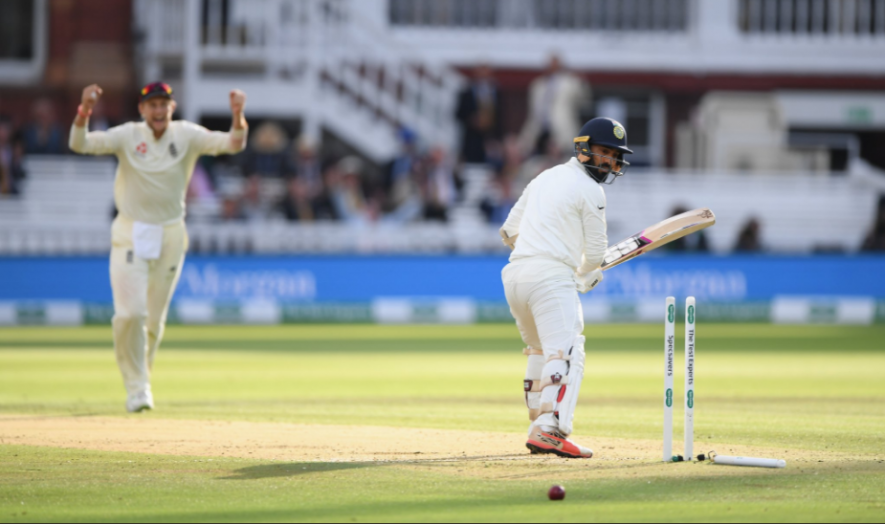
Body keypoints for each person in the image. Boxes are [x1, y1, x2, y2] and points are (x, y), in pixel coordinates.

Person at [69, 81, 248, 413]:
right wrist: (85, 110)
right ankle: (138, 387)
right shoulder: (128, 135)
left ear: (172, 108)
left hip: (170, 234)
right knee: (131, 313)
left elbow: (233, 143)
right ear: (142, 109)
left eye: (163, 104)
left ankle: (141, 382)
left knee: (153, 319)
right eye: (152, 104)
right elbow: (79, 143)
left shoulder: (186, 135)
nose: (158, 110)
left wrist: (238, 114)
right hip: (131, 232)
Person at [500, 117, 633, 459]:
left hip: (515, 276)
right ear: (583, 148)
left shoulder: (545, 176)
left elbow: (509, 231)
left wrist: (550, 260)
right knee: (568, 351)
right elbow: (596, 254)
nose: (609, 162)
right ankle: (550, 430)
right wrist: (583, 273)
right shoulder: (592, 190)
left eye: (614, 156)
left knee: (541, 350)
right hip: (550, 278)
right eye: (604, 152)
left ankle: (538, 422)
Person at [519, 55, 591, 156]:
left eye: (555, 63)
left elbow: (584, 101)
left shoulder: (570, 82)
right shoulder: (538, 85)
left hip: (562, 130)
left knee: (563, 157)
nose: (552, 66)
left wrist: (581, 81)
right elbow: (533, 112)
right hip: (540, 131)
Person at [455, 65, 502, 165]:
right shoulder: (467, 93)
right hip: (472, 141)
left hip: (490, 139)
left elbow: (501, 117)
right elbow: (458, 114)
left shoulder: (496, 92)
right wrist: (472, 120)